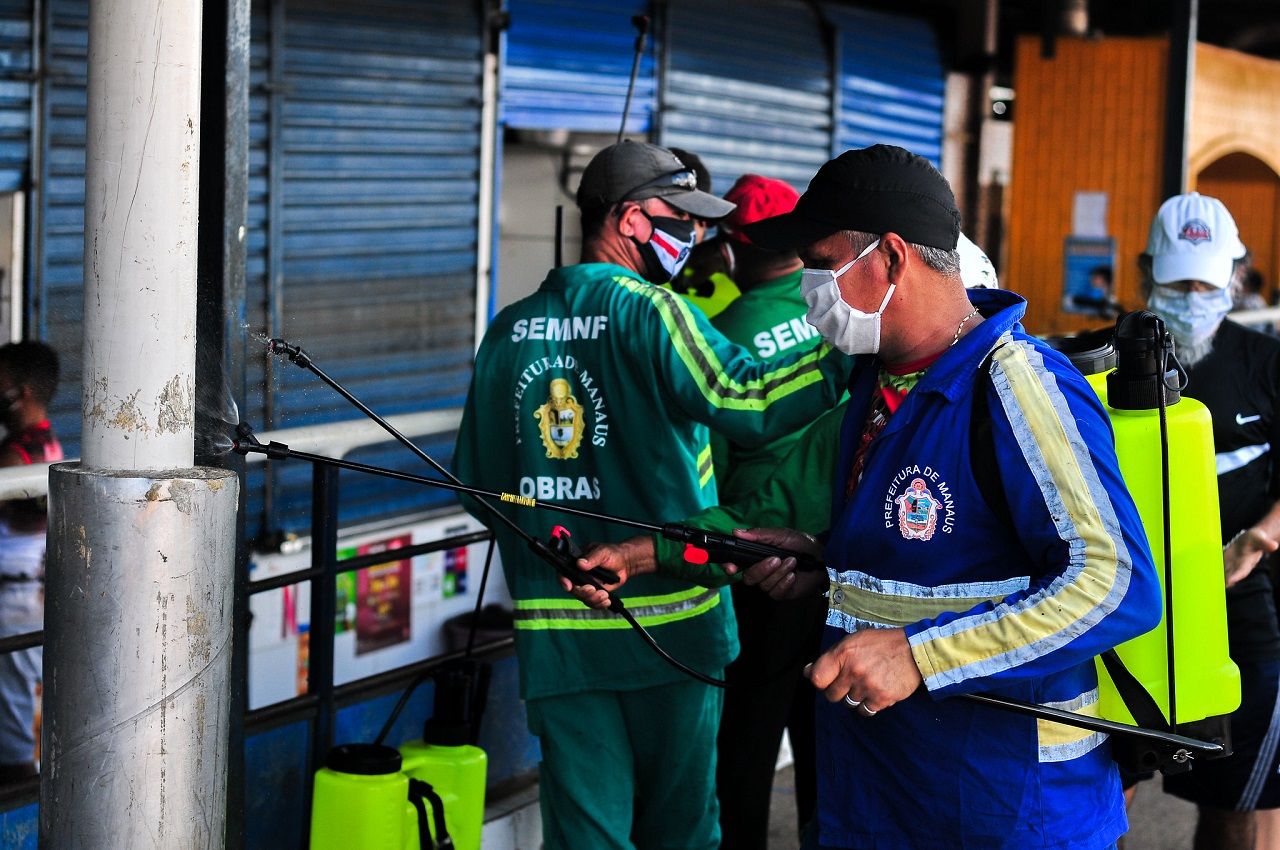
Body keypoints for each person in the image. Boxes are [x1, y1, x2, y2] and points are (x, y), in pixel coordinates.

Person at [568, 144, 1162, 849]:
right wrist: (821, 561)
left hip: (1003, 808)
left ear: (889, 257)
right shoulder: (872, 385)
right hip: (879, 796)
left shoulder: (1017, 385)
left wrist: (919, 656)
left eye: (821, 262)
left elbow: (1114, 581)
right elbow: (904, 552)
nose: (811, 285)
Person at [452, 140, 853, 850]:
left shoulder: (508, 330)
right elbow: (748, 396)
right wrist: (850, 353)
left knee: (586, 835)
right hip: (672, 628)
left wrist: (557, 549)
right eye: (683, 217)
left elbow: (481, 487)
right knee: (682, 829)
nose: (697, 237)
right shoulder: (652, 312)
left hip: (559, 639)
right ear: (632, 221)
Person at [1139, 192, 1280, 850]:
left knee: (1241, 798)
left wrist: (1263, 534)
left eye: (1207, 281)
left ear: (1238, 277)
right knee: (1100, 793)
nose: (1193, 296)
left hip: (1247, 609)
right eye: (1176, 282)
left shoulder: (1266, 363)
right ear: (1147, 275)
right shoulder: (1100, 362)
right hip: (1129, 610)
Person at [697, 173, 825, 849]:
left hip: (755, 565)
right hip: (832, 557)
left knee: (743, 745)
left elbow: (701, 469)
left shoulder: (719, 337)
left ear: (732, 248)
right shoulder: (834, 316)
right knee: (826, 742)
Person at [0, 341, 61, 782]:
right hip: (33, 593)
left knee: (12, 735)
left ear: (19, 392)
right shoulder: (47, 440)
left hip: (13, 599)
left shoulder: (15, 455)